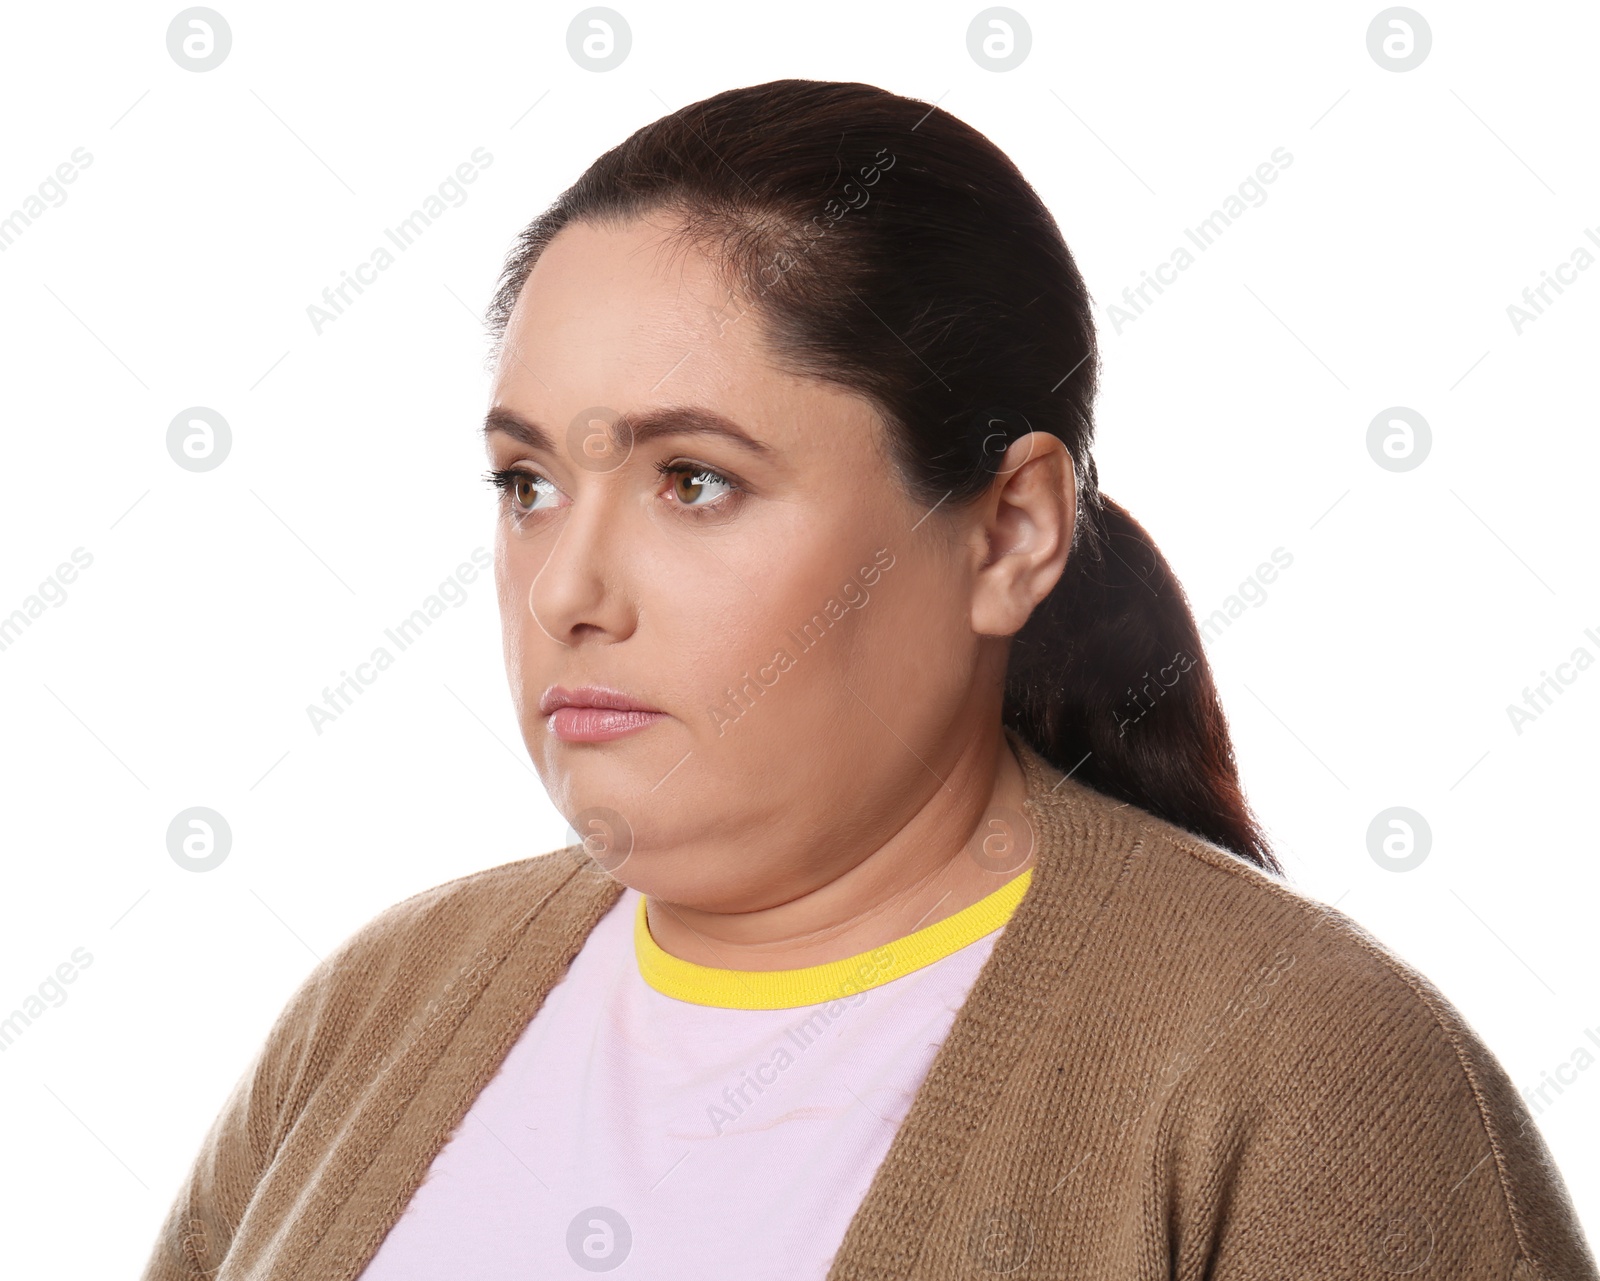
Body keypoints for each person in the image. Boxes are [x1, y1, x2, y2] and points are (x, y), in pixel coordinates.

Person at [142, 79, 1597, 1280]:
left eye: (693, 479)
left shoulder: (1302, 1075)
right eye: (526, 482)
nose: (566, 590)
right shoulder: (382, 1005)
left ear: (1008, 531)